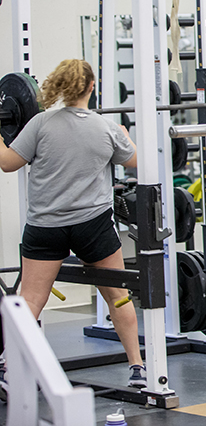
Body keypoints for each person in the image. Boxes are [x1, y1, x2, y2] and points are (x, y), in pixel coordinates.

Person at [0, 60, 146, 388]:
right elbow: (136, 161)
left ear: (60, 84)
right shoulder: (106, 127)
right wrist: (125, 136)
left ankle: (9, 365)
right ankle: (137, 368)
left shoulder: (40, 123)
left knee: (31, 300)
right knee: (118, 296)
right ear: (91, 87)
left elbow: (7, 164)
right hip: (92, 226)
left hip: (45, 227)